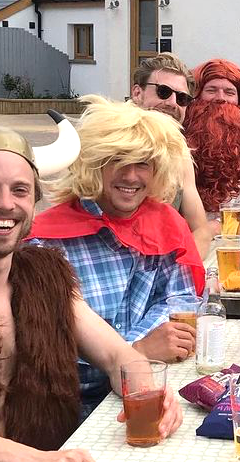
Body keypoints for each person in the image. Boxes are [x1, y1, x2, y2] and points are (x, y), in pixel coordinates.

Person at [0, 92, 182, 462]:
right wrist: (33, 460)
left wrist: (149, 394)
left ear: (33, 202)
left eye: (20, 191)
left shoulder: (47, 278)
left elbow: (117, 356)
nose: (6, 203)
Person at [29, 95, 205, 419]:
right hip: (66, 414)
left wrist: (144, 346)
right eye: (118, 160)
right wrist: (138, 350)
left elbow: (180, 298)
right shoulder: (43, 242)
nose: (131, 176)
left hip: (142, 389)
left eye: (143, 164)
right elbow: (44, 347)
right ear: (93, 164)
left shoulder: (165, 223)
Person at [130, 53, 212, 257]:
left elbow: (200, 230)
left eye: (182, 98)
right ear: (137, 92)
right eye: (163, 92)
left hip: (160, 267)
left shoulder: (179, 151)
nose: (173, 103)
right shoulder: (107, 141)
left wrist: (182, 275)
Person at [183, 58, 240, 221]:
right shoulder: (180, 139)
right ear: (196, 96)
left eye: (229, 92)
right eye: (211, 90)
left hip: (230, 229)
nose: (220, 98)